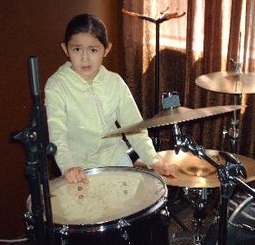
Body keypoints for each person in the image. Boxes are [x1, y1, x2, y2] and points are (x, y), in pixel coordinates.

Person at [45, 14, 177, 184]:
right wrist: (68, 166)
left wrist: (153, 160)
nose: (85, 58)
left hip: (116, 159)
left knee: (131, 206)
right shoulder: (56, 85)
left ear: (106, 49)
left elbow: (134, 127)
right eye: (77, 49)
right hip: (79, 167)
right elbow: (57, 133)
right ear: (66, 49)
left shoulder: (114, 82)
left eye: (93, 50)